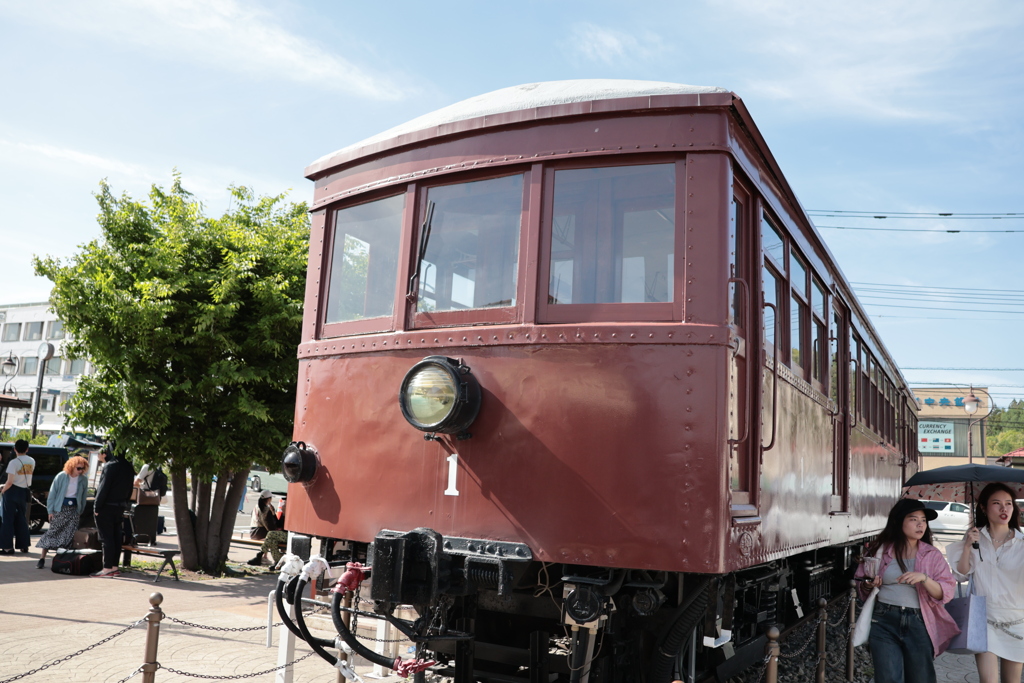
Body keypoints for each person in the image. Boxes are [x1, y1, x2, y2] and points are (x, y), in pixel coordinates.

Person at [854, 498, 959, 683]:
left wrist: (924, 578)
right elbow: (862, 582)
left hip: (919, 622)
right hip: (884, 619)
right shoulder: (880, 551)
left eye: (924, 520)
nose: (920, 524)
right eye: (913, 519)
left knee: (920, 678)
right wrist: (869, 585)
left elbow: (946, 592)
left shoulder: (931, 554)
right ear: (898, 521)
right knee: (888, 678)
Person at [947, 482, 1024, 683]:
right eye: (996, 503)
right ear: (983, 507)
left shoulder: (1022, 542)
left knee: (1012, 681)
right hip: (983, 620)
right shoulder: (974, 538)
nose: (1003, 508)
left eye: (1008, 503)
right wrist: (966, 547)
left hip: (1017, 621)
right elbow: (961, 575)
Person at [35, 455, 90, 569]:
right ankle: (42, 558)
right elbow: (52, 494)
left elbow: (84, 496)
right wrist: (50, 511)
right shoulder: (61, 476)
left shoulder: (83, 479)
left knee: (69, 535)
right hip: (60, 508)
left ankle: (60, 560)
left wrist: (80, 510)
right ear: (72, 466)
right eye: (78, 468)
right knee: (53, 532)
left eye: (82, 469)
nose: (80, 471)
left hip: (74, 509)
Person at [91, 442, 136, 577]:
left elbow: (103, 488)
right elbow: (130, 488)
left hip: (106, 506)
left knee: (106, 538)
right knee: (116, 537)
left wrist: (97, 506)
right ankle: (114, 566)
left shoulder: (110, 466)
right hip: (120, 506)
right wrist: (125, 503)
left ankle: (107, 568)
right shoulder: (128, 466)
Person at [0, 439, 36, 555]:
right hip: (24, 491)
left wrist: (2, 490)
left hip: (12, 491)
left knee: (7, 520)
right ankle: (24, 545)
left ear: (15, 449)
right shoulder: (32, 461)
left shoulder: (13, 463)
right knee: (22, 519)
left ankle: (7, 547)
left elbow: (9, 482)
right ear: (27, 449)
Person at [247, 489, 286, 567]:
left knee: (271, 536)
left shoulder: (257, 506)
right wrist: (274, 514)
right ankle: (274, 560)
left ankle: (261, 555)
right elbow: (272, 526)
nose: (282, 506)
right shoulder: (265, 509)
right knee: (271, 536)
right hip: (262, 533)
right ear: (268, 499)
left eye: (285, 504)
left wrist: (274, 514)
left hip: (254, 532)